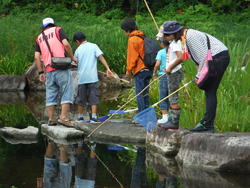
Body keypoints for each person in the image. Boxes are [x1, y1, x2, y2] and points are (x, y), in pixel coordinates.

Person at [162, 21, 230, 132]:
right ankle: (207, 124)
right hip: (215, 58)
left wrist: (199, 76)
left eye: (167, 35)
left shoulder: (190, 36)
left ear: (175, 33)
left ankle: (207, 125)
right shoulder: (185, 38)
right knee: (209, 91)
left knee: (210, 90)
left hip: (218, 57)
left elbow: (204, 57)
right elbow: (197, 60)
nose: (166, 38)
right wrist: (199, 73)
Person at [35, 17, 77, 126]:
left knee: (50, 94)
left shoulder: (39, 37)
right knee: (67, 90)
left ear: (43, 26)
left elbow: (36, 56)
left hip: (49, 70)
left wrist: (40, 72)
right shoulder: (58, 30)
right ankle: (64, 118)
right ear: (52, 24)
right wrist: (72, 58)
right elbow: (66, 44)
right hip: (62, 66)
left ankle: (51, 119)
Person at [73, 32, 113, 123]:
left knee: (80, 98)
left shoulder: (77, 50)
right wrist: (108, 69)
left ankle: (80, 117)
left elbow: (75, 64)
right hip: (92, 78)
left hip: (82, 78)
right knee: (94, 97)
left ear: (77, 41)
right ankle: (94, 117)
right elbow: (101, 57)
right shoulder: (94, 46)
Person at [121, 18, 152, 112]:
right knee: (145, 93)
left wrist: (128, 71)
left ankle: (142, 117)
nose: (124, 33)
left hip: (140, 70)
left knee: (139, 94)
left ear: (127, 30)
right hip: (148, 69)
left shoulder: (132, 39)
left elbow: (132, 57)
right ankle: (147, 115)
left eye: (123, 31)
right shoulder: (142, 36)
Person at [156, 23, 184, 129]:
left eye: (166, 35)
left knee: (173, 97)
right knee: (172, 96)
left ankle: (173, 122)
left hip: (174, 73)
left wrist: (170, 67)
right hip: (171, 71)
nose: (165, 38)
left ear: (172, 34)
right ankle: (172, 121)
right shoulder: (172, 42)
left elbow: (181, 57)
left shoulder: (176, 43)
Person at [153, 39, 170, 124]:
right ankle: (171, 116)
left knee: (163, 96)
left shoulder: (161, 52)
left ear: (162, 43)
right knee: (171, 95)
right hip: (173, 75)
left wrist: (154, 72)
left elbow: (157, 64)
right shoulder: (173, 50)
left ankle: (165, 117)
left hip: (163, 75)